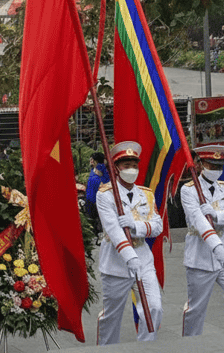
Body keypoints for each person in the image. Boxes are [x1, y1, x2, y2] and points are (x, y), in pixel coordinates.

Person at [95, 141, 163, 344]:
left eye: (134, 164)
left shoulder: (146, 194)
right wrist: (129, 256)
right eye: (126, 164)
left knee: (154, 308)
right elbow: (113, 230)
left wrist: (136, 226)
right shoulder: (105, 194)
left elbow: (157, 226)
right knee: (112, 317)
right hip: (116, 263)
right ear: (115, 167)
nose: (131, 169)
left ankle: (146, 346)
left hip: (143, 258)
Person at [181, 145, 224, 335]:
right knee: (196, 309)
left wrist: (218, 216)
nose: (215, 170)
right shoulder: (189, 190)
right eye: (211, 165)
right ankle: (191, 345)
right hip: (200, 254)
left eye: (219, 165)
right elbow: (198, 221)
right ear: (201, 164)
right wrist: (216, 246)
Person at [84, 152, 109, 234]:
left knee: (95, 222)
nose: (90, 161)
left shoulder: (100, 170)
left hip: (95, 201)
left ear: (95, 161)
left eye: (91, 159)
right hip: (93, 199)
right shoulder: (96, 170)